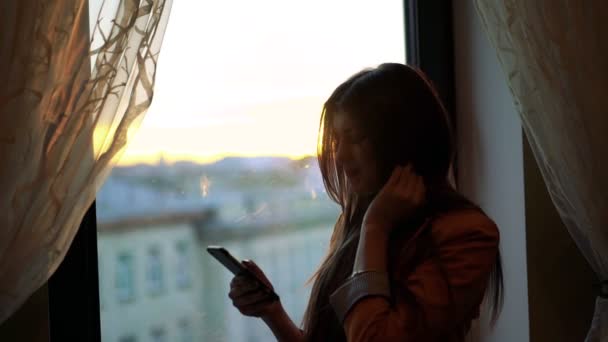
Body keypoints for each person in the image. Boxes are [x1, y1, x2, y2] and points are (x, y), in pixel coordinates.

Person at [228, 63, 503, 341]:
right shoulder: (359, 219)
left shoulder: (466, 233)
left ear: (401, 138)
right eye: (336, 142)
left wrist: (376, 227)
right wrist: (273, 313)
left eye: (355, 137)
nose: (341, 156)